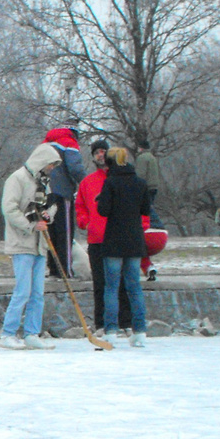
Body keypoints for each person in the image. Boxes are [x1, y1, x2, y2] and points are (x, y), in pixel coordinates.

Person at [0, 143, 61, 349]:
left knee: (38, 293)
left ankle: (32, 333)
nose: (52, 169)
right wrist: (30, 226)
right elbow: (9, 208)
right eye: (50, 164)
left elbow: (51, 206)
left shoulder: (44, 184)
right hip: (22, 244)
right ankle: (8, 333)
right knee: (23, 291)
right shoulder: (17, 179)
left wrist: (47, 216)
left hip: (40, 245)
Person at [74, 139, 132, 334]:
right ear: (92, 156)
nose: (100, 155)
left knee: (122, 283)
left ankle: (125, 323)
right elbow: (80, 208)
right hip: (97, 240)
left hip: (120, 238)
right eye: (97, 152)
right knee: (100, 283)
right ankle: (101, 324)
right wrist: (85, 222)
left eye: (103, 151)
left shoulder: (123, 180)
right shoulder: (87, 182)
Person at [96, 147, 150, 346]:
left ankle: (110, 330)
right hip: (135, 240)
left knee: (111, 287)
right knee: (134, 286)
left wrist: (101, 199)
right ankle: (140, 331)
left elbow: (103, 210)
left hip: (114, 240)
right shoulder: (140, 183)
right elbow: (145, 209)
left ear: (110, 162)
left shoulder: (110, 182)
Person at [40, 128, 85, 277]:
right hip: (63, 193)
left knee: (51, 232)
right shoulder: (69, 143)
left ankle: (53, 269)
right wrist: (86, 184)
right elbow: (74, 167)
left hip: (45, 193)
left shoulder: (45, 144)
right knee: (64, 233)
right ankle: (65, 271)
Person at [133, 136, 162, 279]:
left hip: (146, 187)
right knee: (150, 207)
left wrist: (137, 186)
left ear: (140, 147)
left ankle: (150, 224)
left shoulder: (142, 158)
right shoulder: (152, 157)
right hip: (154, 186)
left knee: (147, 209)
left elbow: (140, 174)